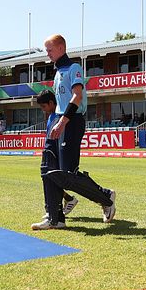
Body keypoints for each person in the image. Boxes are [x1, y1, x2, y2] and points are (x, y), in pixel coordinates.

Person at [30, 34, 115, 230]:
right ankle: (55, 218)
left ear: (61, 48)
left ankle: (106, 197)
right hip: (59, 121)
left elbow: (77, 97)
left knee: (67, 174)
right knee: (47, 168)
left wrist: (62, 122)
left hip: (71, 121)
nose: (47, 54)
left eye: (50, 50)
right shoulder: (58, 72)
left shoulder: (74, 68)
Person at [34, 90, 79, 225]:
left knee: (53, 178)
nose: (43, 110)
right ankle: (65, 202)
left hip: (56, 151)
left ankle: (55, 212)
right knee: (51, 179)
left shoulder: (60, 117)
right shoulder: (51, 116)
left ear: (51, 103)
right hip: (50, 151)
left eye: (44, 107)